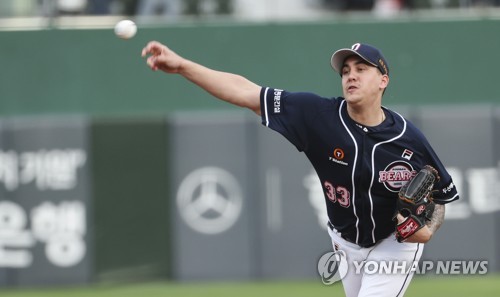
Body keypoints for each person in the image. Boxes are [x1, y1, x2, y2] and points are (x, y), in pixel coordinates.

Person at [141, 41, 459, 297]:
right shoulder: (317, 115)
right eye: (346, 70)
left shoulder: (409, 138)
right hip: (345, 241)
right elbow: (245, 92)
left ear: (383, 81)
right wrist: (183, 66)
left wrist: (427, 229)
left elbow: (441, 196)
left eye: (362, 69)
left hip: (394, 243)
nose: (351, 75)